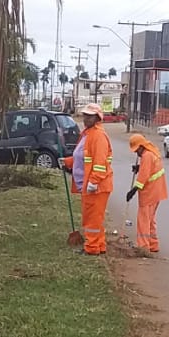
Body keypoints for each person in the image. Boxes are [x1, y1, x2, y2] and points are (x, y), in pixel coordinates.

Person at [60, 103, 113, 255]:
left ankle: (91, 248)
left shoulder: (98, 136)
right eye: (85, 115)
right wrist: (68, 161)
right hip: (89, 184)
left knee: (92, 220)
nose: (86, 118)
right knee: (94, 218)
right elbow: (82, 158)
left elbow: (100, 163)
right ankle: (99, 245)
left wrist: (93, 182)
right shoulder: (87, 134)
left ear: (97, 118)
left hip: (96, 186)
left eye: (89, 116)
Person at [125, 134, 168, 252]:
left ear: (141, 146)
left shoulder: (147, 156)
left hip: (150, 193)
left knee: (143, 220)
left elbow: (143, 178)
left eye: (137, 150)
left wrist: (132, 191)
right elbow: (150, 169)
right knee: (150, 219)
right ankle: (153, 244)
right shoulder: (152, 152)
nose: (136, 153)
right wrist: (139, 167)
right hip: (157, 192)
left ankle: (143, 246)